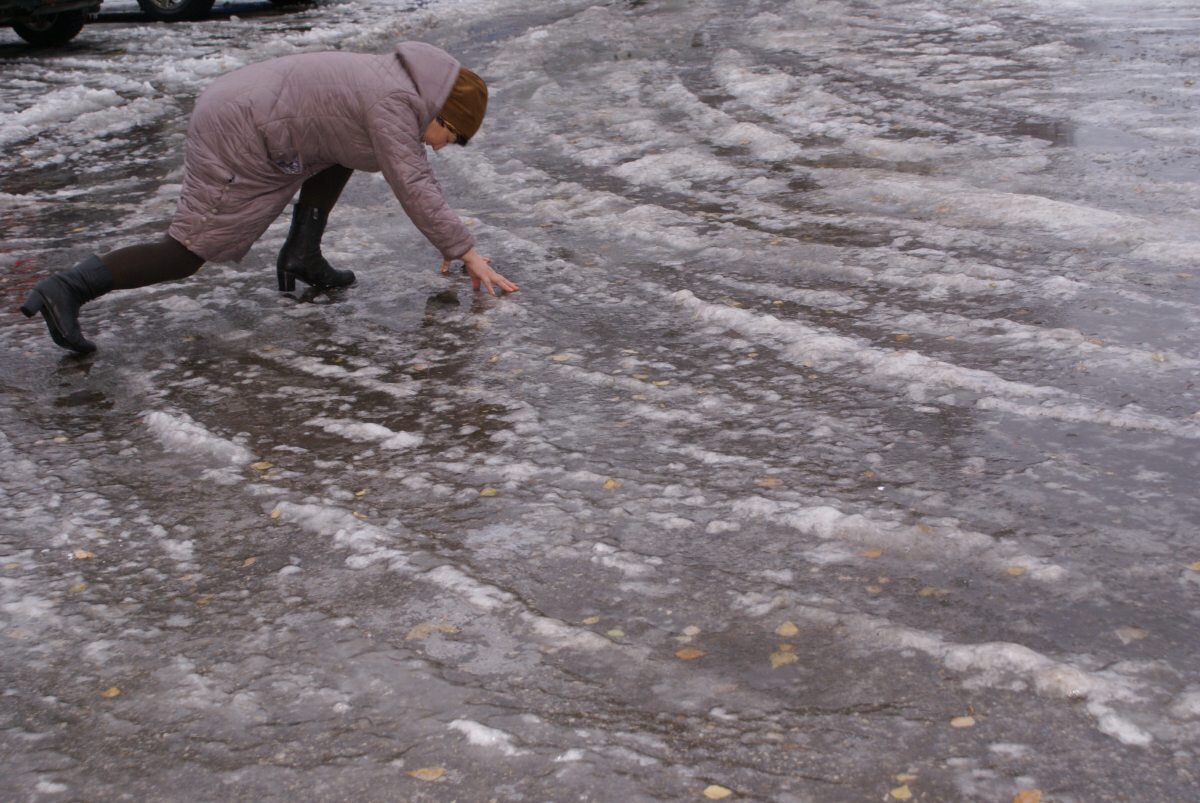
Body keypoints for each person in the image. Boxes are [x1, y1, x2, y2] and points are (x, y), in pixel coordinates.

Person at [20, 41, 518, 354]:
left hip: (251, 107)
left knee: (346, 148)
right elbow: (413, 182)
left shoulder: (396, 83)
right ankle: (68, 287)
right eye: (449, 134)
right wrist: (465, 251)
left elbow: (359, 144)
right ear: (438, 108)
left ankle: (303, 253)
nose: (441, 145)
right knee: (190, 250)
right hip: (238, 125)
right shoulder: (395, 102)